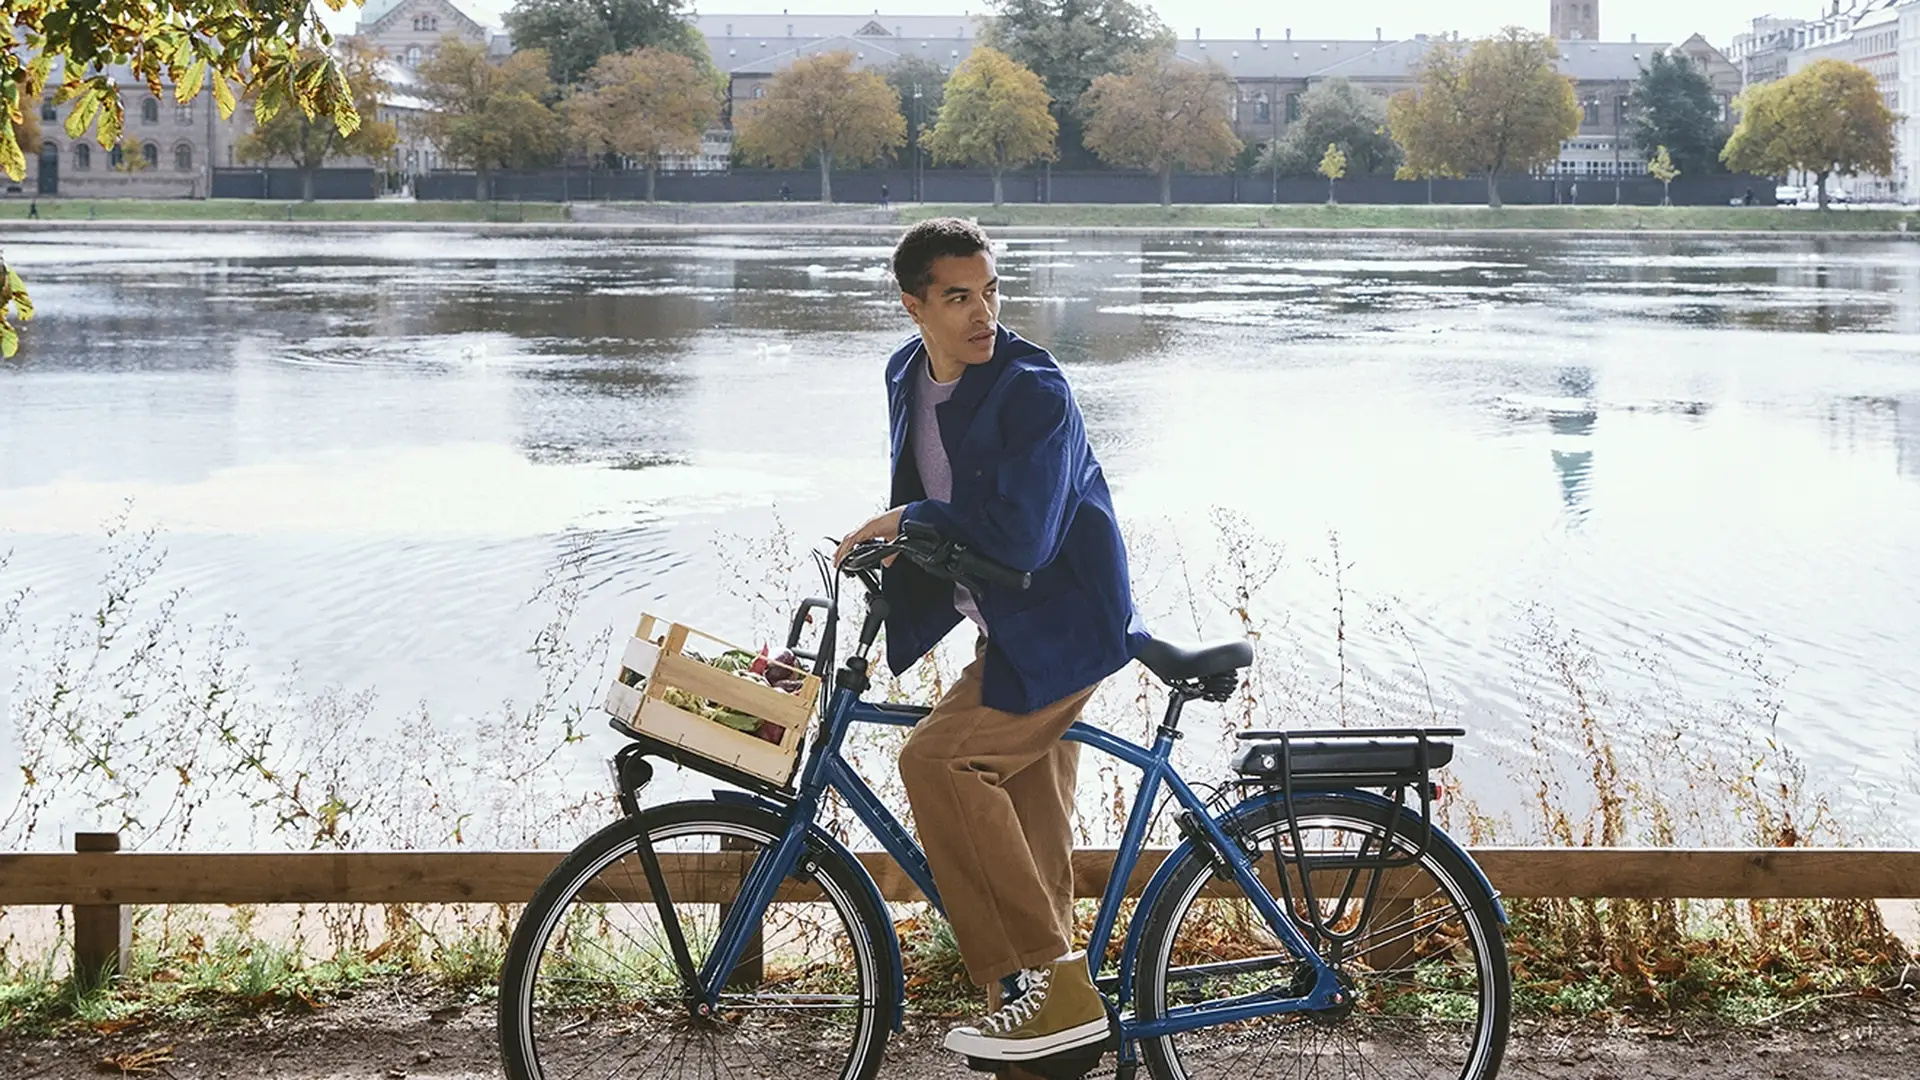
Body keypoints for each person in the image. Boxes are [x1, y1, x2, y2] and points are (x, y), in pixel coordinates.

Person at [835, 218, 1148, 1063]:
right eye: (958, 297)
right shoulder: (906, 373)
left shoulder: (1034, 390)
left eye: (992, 291)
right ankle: (1056, 1024)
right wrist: (889, 553)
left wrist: (909, 520)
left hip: (1064, 628)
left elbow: (1021, 539)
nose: (984, 314)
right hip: (1005, 627)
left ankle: (1053, 986)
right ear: (914, 307)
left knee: (938, 761)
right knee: (1031, 835)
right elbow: (924, 487)